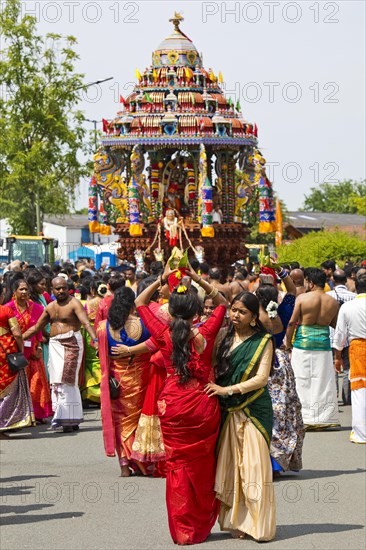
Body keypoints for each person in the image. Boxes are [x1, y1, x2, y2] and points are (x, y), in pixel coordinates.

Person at [135, 263, 227, 545]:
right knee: (202, 465)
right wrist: (197, 277)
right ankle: (200, 524)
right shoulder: (206, 330)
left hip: (172, 405)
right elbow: (222, 301)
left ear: (170, 311)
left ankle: (182, 529)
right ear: (198, 312)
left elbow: (140, 301)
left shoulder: (163, 333)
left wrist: (164, 277)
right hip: (202, 403)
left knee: (176, 467)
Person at [205, 292, 276, 541]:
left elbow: (261, 378)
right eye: (233, 309)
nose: (235, 314)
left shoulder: (264, 340)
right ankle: (237, 521)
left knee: (254, 467)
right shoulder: (223, 337)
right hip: (227, 410)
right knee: (232, 467)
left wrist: (229, 390)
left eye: (242, 311)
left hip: (254, 408)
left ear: (254, 317)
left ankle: (259, 524)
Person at [23, 277, 97, 433]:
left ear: (68, 288)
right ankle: (67, 417)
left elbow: (85, 322)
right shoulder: (50, 307)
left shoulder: (74, 303)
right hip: (55, 344)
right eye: (57, 289)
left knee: (68, 380)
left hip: (72, 344)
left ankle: (69, 418)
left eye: (63, 288)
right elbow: (37, 327)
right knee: (57, 382)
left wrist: (94, 339)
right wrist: (19, 337)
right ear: (52, 289)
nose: (61, 291)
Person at [97, 287, 151, 476]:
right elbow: (155, 345)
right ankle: (141, 462)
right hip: (142, 377)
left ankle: (124, 466)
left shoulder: (103, 327)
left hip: (116, 380)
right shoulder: (144, 324)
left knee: (119, 421)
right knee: (138, 420)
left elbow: (102, 357)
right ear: (132, 305)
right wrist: (133, 351)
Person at [256, 265, 305, 474]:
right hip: (280, 362)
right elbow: (293, 292)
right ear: (276, 296)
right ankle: (278, 461)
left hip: (257, 360)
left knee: (259, 411)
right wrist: (282, 273)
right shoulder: (281, 311)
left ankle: (259, 458)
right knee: (282, 411)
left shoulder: (253, 314)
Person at [286, 268, 340, 429]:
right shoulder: (332, 302)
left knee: (301, 380)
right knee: (322, 381)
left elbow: (292, 322)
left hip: (302, 344)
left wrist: (288, 343)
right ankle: (321, 418)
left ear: (311, 282)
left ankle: (303, 417)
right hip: (323, 345)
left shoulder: (302, 298)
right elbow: (335, 325)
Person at [7, 278, 52, 422]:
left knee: (37, 382)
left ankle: (37, 414)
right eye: (21, 289)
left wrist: (38, 347)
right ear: (14, 292)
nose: (25, 292)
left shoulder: (38, 308)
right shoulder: (8, 309)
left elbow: (38, 330)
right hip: (15, 351)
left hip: (33, 351)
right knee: (16, 385)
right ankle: (19, 415)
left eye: (26, 289)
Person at [333, 273, 366, 443]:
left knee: (359, 389)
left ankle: (361, 434)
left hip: (358, 348)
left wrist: (337, 356)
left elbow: (340, 335)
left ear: (356, 288)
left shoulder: (347, 307)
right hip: (357, 347)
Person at [0, 282, 35, 436]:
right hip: (7, 354)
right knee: (9, 391)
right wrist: (20, 350)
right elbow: (18, 334)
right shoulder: (6, 310)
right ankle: (4, 422)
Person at [327, 269, 356, 406]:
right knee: (347, 367)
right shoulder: (353, 296)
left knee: (334, 366)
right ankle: (347, 396)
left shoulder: (327, 296)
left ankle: (334, 395)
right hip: (349, 337)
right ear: (346, 280)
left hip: (332, 336)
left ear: (333, 280)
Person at [80, 280, 108, 405]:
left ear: (92, 290)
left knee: (90, 362)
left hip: (90, 333)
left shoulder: (87, 304)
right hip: (104, 331)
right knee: (102, 359)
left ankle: (90, 392)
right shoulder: (107, 303)